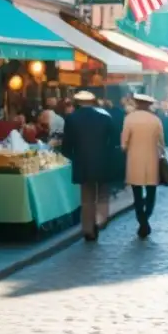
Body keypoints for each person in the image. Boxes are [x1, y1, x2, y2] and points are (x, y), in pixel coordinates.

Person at [61, 91, 118, 241]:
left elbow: (67, 145)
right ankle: (101, 219)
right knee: (102, 194)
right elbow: (113, 141)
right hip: (103, 161)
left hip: (82, 162)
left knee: (87, 198)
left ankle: (88, 229)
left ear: (78, 102)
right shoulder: (104, 117)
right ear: (93, 101)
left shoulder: (72, 118)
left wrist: (72, 156)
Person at [122, 93, 164, 238]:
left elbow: (123, 143)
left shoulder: (129, 119)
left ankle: (142, 221)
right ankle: (146, 216)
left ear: (137, 103)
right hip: (152, 159)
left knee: (137, 193)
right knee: (151, 192)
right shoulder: (155, 120)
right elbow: (161, 143)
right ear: (148, 105)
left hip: (134, 160)